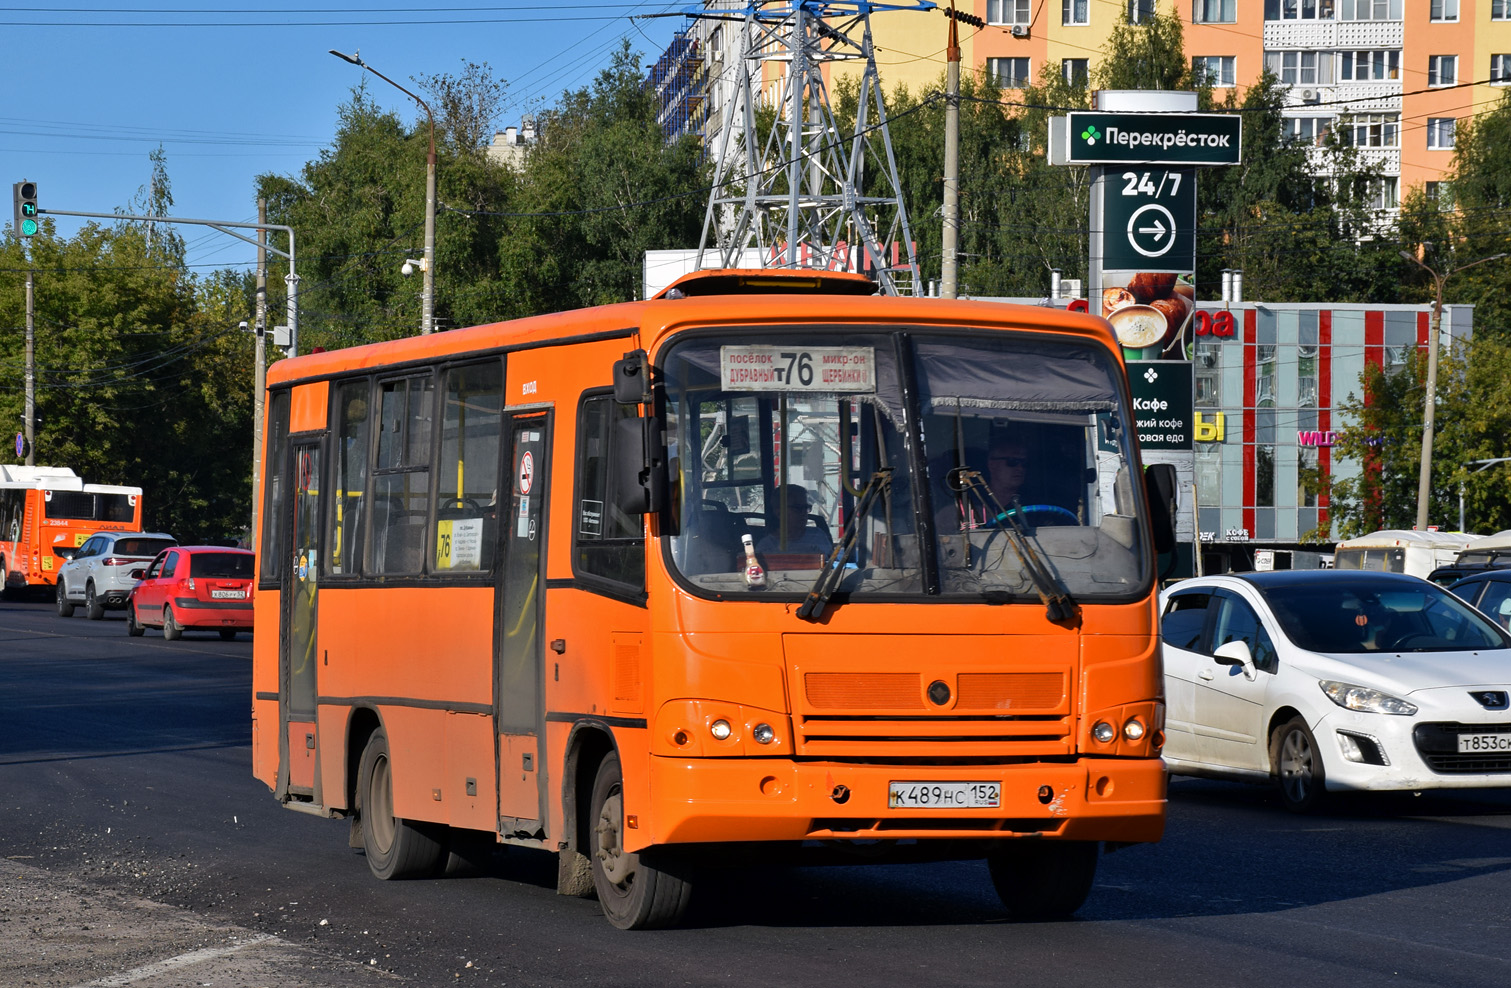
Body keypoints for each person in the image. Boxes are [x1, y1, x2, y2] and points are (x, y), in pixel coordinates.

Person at [755, 484, 832, 556]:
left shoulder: (818, 535)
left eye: (806, 507)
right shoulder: (766, 547)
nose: (803, 513)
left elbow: (832, 563)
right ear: (779, 512)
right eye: (797, 508)